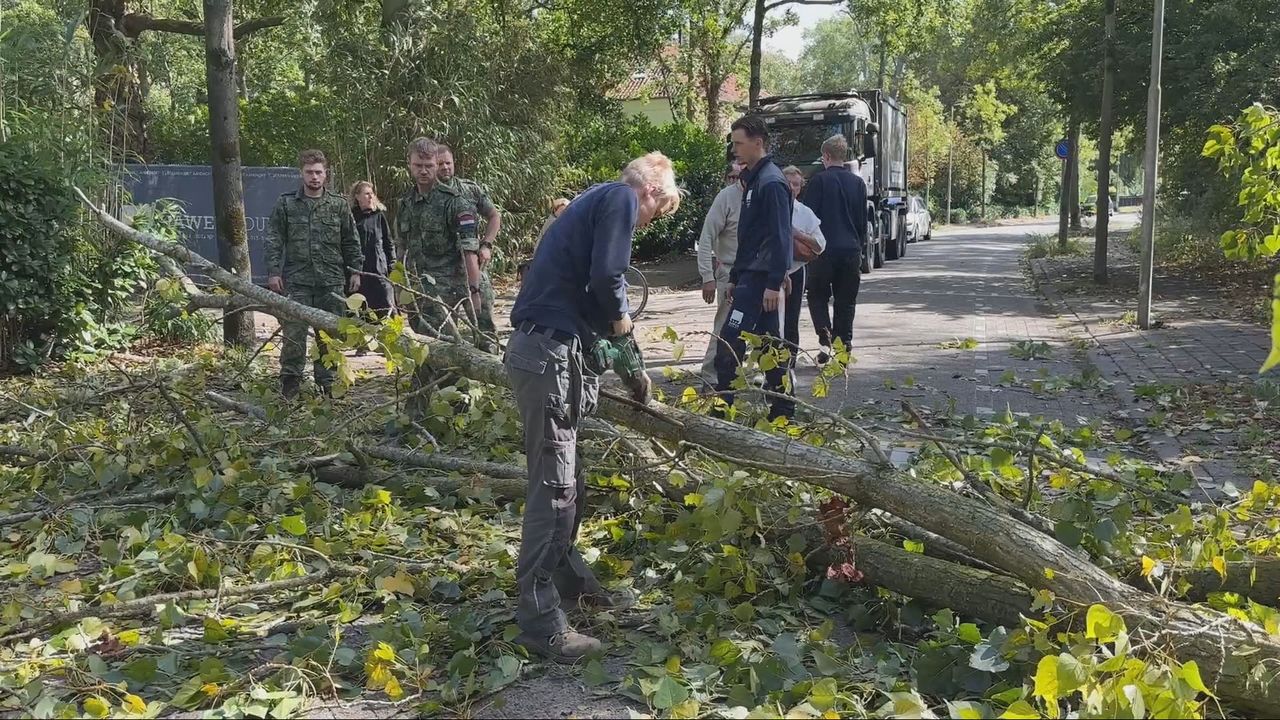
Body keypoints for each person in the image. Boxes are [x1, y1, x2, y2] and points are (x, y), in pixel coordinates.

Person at [506, 152, 679, 662]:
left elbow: (595, 306)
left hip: (548, 350)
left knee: (569, 480)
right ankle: (540, 624)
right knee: (554, 490)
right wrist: (626, 331)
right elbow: (610, 282)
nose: (649, 223)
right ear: (650, 191)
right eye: (657, 212)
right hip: (545, 356)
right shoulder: (621, 199)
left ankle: (565, 579)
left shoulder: (591, 201)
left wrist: (630, 367)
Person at [265, 149, 363, 399]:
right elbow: (274, 239)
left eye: (319, 172)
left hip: (331, 281)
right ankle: (290, 383)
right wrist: (274, 272)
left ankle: (328, 385)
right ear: (301, 174)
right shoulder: (286, 204)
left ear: (325, 173)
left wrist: (355, 271)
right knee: (294, 333)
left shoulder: (338, 205)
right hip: (297, 280)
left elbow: (351, 241)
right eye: (309, 172)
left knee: (328, 335)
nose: (314, 177)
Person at [713, 115, 793, 421]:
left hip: (761, 282)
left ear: (757, 143)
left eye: (739, 143)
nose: (734, 150)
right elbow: (747, 238)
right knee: (768, 347)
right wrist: (735, 276)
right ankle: (782, 410)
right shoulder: (755, 180)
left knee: (728, 344)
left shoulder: (771, 183)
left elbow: (780, 235)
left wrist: (773, 282)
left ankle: (723, 411)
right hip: (749, 277)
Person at [395, 137, 483, 343]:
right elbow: (401, 248)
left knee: (442, 346)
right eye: (418, 165)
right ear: (409, 164)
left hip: (446, 290)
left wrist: (474, 290)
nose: (423, 171)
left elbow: (469, 250)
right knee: (421, 346)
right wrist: (398, 287)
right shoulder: (405, 203)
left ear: (436, 164)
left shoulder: (454, 202)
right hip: (416, 289)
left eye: (429, 166)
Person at [801, 134, 868, 364]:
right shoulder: (858, 183)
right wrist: (859, 247)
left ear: (826, 156)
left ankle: (825, 338)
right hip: (850, 250)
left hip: (823, 251)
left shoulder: (819, 181)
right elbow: (861, 220)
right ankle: (844, 347)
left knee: (817, 296)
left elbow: (809, 218)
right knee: (846, 301)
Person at [437, 144, 499, 350]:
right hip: (442, 275)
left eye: (448, 163)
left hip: (474, 268)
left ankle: (491, 370)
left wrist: (487, 244)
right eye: (440, 164)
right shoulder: (428, 197)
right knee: (449, 332)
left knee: (484, 324)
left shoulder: (470, 190)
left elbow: (494, 216)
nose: (445, 167)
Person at [696, 162, 744, 386]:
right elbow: (706, 238)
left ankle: (744, 374)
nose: (736, 179)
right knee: (724, 326)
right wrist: (708, 277)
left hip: (755, 273)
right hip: (728, 271)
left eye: (740, 175)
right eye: (731, 176)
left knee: (752, 328)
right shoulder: (725, 198)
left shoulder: (763, 191)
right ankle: (709, 376)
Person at [780, 165, 826, 375]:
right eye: (788, 183)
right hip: (769, 273)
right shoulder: (768, 207)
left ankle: (788, 369)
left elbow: (820, 244)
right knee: (769, 322)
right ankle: (768, 369)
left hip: (795, 272)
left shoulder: (805, 213)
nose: (792, 188)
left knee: (791, 321)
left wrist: (797, 235)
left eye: (796, 184)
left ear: (800, 188)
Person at [349, 180, 395, 325]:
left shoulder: (379, 215)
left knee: (387, 306)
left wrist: (392, 264)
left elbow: (388, 242)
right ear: (357, 196)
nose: (370, 197)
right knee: (364, 310)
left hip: (380, 270)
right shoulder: (351, 217)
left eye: (372, 193)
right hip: (361, 272)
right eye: (366, 194)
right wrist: (353, 271)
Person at [519, 197, 571, 283]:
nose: (564, 213)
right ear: (556, 210)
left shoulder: (557, 220)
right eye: (562, 211)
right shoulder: (554, 222)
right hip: (546, 257)